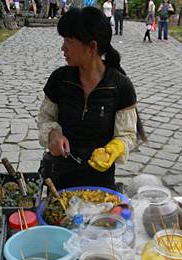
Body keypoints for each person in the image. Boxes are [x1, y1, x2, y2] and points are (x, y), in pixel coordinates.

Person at [38, 7, 146, 190]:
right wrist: (53, 134)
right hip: (58, 180)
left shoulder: (120, 86)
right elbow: (46, 118)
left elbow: (127, 134)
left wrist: (115, 147)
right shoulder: (59, 79)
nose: (63, 47)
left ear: (92, 47)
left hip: (100, 184)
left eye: (69, 41)